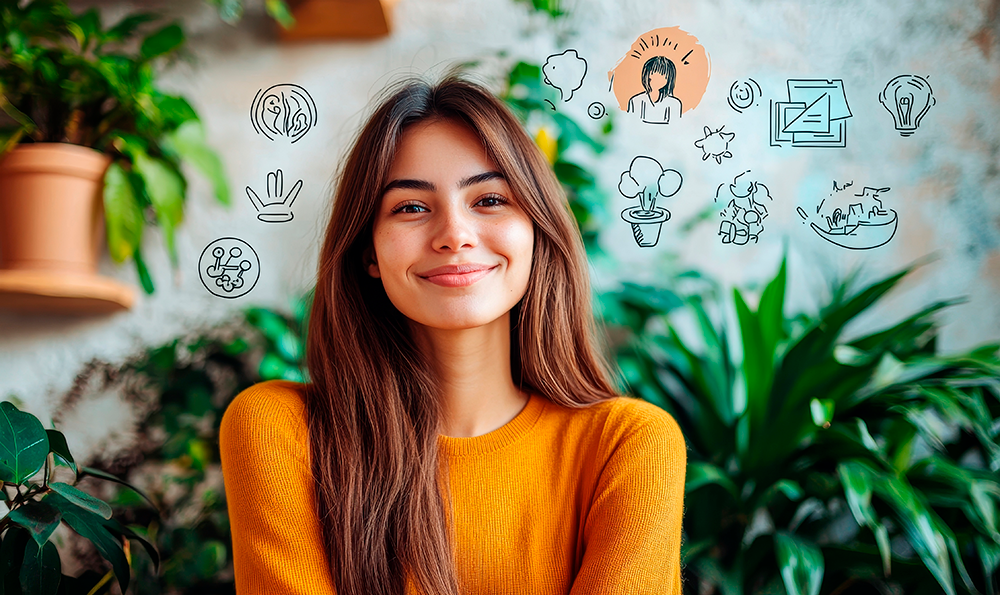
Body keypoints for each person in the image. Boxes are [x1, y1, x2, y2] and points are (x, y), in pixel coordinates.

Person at [219, 73, 687, 595]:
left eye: (489, 200)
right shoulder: (280, 431)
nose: (455, 236)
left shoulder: (625, 446)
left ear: (537, 229)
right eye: (411, 207)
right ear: (369, 252)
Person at [627, 56, 683, 124]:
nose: (657, 79)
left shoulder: (674, 103)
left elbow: (675, 127)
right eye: (653, 74)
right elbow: (632, 125)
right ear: (647, 75)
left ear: (669, 79)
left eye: (662, 75)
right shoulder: (635, 101)